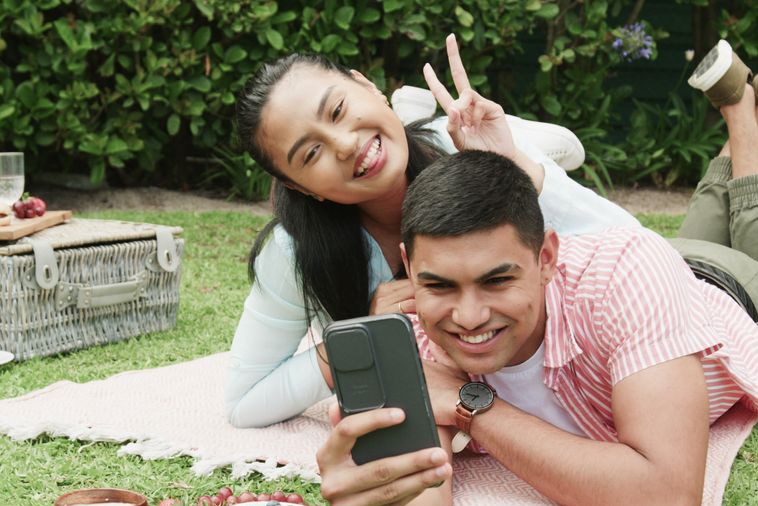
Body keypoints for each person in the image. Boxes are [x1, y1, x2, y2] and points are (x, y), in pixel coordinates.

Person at [315, 40, 758, 506]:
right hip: (669, 269)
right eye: (439, 285)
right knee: (692, 231)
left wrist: (474, 405)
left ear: (546, 259)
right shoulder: (420, 332)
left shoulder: (632, 270)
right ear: (409, 269)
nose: (467, 316)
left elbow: (667, 502)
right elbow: (421, 494)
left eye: (497, 280)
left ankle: (742, 110)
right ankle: (755, 104)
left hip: (741, 297)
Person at [226, 35, 640, 428]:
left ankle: (537, 144)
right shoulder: (294, 251)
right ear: (300, 188)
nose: (345, 145)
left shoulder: (464, 145)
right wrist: (361, 334)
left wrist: (517, 167)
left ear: (367, 86)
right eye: (312, 152)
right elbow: (244, 402)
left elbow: (634, 250)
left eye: (336, 111)